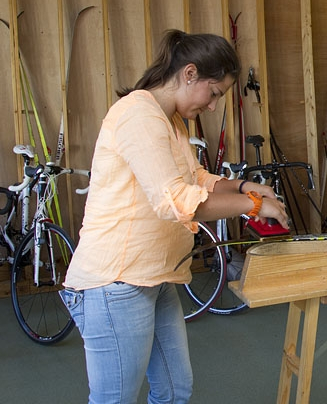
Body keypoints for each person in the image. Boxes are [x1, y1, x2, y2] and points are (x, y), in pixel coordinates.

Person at [61, 29, 288, 404]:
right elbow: (178, 200)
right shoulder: (138, 115)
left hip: (157, 278)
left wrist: (245, 186)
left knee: (173, 391)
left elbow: (195, 178)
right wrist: (252, 205)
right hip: (116, 283)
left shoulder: (173, 122)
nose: (214, 106)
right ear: (189, 74)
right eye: (214, 93)